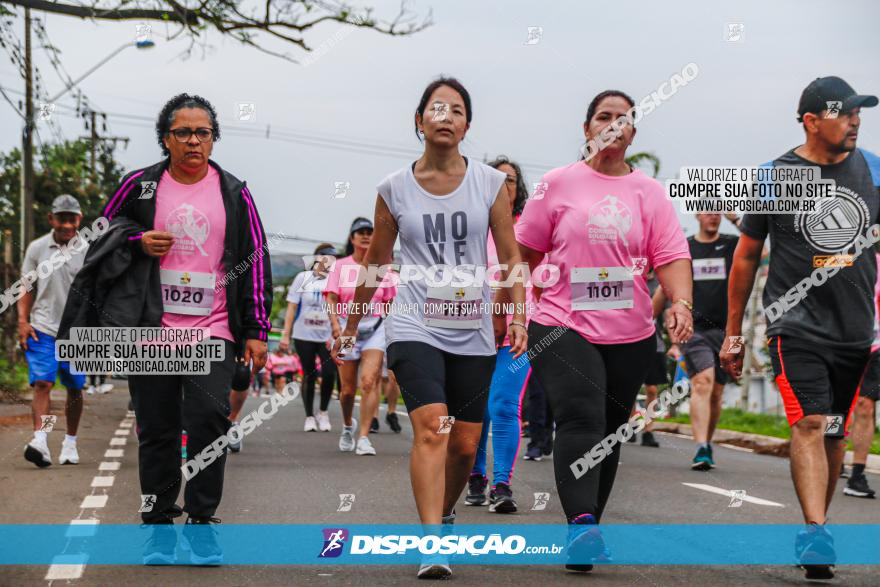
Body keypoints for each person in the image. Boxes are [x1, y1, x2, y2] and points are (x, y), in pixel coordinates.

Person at [61, 93, 273, 565]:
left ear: (214, 140)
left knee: (208, 422)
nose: (194, 140)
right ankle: (157, 528)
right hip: (151, 328)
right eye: (183, 132)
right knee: (156, 429)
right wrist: (137, 240)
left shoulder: (234, 193)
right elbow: (99, 233)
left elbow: (254, 258)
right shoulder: (141, 186)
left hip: (213, 327)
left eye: (203, 133)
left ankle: (201, 526)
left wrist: (257, 326)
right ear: (165, 138)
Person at [331, 76, 527, 579]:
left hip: (475, 329)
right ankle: (432, 541)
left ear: (467, 125)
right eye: (436, 109)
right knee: (433, 430)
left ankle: (445, 511)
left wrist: (519, 314)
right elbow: (376, 262)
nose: (446, 116)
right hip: (414, 323)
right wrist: (351, 326)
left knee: (464, 444)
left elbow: (510, 256)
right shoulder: (393, 188)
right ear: (419, 121)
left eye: (456, 110)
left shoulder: (490, 184)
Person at [516, 90, 692, 573]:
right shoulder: (556, 184)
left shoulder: (649, 193)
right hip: (560, 322)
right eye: (603, 117)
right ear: (587, 128)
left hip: (630, 331)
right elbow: (525, 255)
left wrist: (680, 302)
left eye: (624, 119)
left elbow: (671, 256)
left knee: (612, 430)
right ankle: (582, 522)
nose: (614, 124)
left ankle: (588, 529)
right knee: (580, 417)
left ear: (634, 132)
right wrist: (517, 306)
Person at [721, 76, 879, 580]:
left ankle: (818, 522)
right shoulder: (776, 176)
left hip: (856, 331)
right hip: (795, 325)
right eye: (844, 112)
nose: (855, 120)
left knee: (833, 431)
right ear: (811, 121)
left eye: (860, 111)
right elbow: (746, 257)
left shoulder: (874, 170)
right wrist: (734, 332)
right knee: (810, 423)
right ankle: (815, 532)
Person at [465, 155, 532, 513]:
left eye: (511, 179)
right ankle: (475, 475)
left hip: (518, 331)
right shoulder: (471, 227)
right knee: (475, 409)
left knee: (504, 404)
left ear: (518, 188)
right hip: (470, 331)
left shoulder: (532, 228)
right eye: (496, 177)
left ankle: (502, 484)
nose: (504, 184)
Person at [656, 213, 739, 466]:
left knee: (716, 392)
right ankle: (701, 446)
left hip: (728, 331)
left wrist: (736, 220)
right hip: (694, 330)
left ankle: (707, 444)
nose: (713, 215)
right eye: (708, 210)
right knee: (703, 381)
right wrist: (646, 318)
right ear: (697, 214)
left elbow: (765, 253)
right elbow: (664, 286)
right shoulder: (686, 247)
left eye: (717, 210)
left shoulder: (733, 243)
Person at [19, 195, 89, 468]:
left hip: (77, 332)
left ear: (79, 220)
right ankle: (41, 440)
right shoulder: (37, 248)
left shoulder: (87, 248)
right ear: (51, 219)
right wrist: (23, 321)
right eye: (62, 218)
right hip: (43, 328)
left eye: (72, 219)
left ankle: (70, 441)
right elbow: (26, 286)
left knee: (74, 388)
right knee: (43, 384)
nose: (67, 224)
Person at [325, 217, 397, 455]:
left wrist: (390, 328)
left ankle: (364, 437)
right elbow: (331, 298)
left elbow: (389, 302)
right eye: (360, 232)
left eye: (370, 232)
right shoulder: (340, 266)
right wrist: (335, 325)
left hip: (375, 329)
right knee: (347, 390)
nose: (366, 235)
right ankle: (348, 426)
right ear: (352, 238)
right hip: (347, 327)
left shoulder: (382, 268)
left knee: (368, 381)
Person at [281, 244, 338, 432]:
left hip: (327, 335)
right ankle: (309, 416)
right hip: (303, 334)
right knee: (309, 374)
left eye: (332, 258)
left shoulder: (335, 280)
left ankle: (323, 412)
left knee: (329, 373)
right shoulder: (302, 278)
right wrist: (286, 335)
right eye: (325, 257)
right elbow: (291, 308)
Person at [846, 252, 880, 498]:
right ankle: (833, 454)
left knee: (865, 406)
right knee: (837, 409)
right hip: (843, 342)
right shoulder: (849, 258)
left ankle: (857, 473)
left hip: (876, 345)